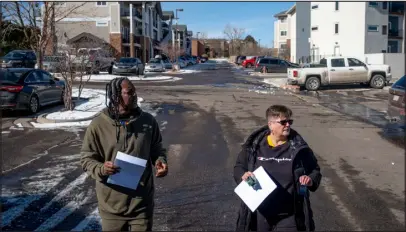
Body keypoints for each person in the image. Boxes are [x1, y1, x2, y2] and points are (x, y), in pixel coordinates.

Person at [80, 77, 168, 231]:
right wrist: (101, 169)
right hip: (111, 206)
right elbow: (87, 159)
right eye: (129, 92)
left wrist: (160, 160)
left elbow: (156, 148)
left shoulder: (148, 121)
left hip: (141, 203)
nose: (134, 95)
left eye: (134, 91)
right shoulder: (98, 125)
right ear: (116, 96)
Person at [234, 105, 322, 231]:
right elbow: (239, 167)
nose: (287, 125)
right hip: (260, 214)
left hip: (289, 215)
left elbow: (314, 169)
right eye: (283, 122)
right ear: (270, 124)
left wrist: (310, 179)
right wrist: (243, 176)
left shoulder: (299, 147)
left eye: (289, 122)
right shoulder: (254, 146)